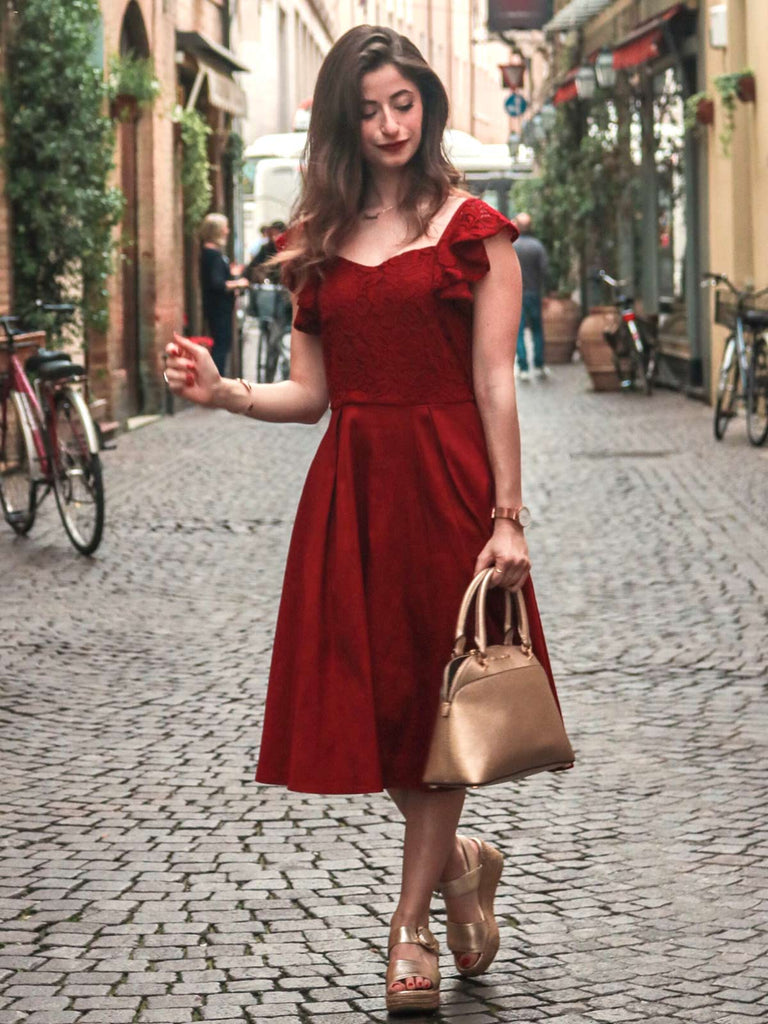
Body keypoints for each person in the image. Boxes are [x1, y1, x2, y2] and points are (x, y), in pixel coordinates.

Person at [166, 25, 561, 1016]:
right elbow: (312, 397)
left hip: (449, 486)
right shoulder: (314, 246)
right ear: (345, 118)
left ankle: (410, 923)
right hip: (351, 491)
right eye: (370, 107)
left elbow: (495, 387)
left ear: (425, 104)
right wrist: (224, 395)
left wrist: (508, 519)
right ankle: (462, 859)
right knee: (376, 702)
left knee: (436, 703)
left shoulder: (478, 229)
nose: (390, 124)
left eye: (405, 103)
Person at [199, 213, 249, 374]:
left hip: (219, 307)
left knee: (221, 343)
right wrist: (238, 283)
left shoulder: (212, 253)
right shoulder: (212, 254)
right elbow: (217, 283)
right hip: (218, 308)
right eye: (225, 228)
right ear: (217, 230)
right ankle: (216, 380)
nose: (227, 231)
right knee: (221, 345)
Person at [513, 212, 549, 382]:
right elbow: (544, 271)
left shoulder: (512, 246)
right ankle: (539, 364)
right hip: (534, 292)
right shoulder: (537, 246)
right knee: (537, 329)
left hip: (516, 295)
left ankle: (523, 367)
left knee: (518, 331)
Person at [246, 220, 287, 284]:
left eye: (276, 234)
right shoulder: (266, 248)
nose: (274, 238)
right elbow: (253, 266)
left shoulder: (288, 249)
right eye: (272, 234)